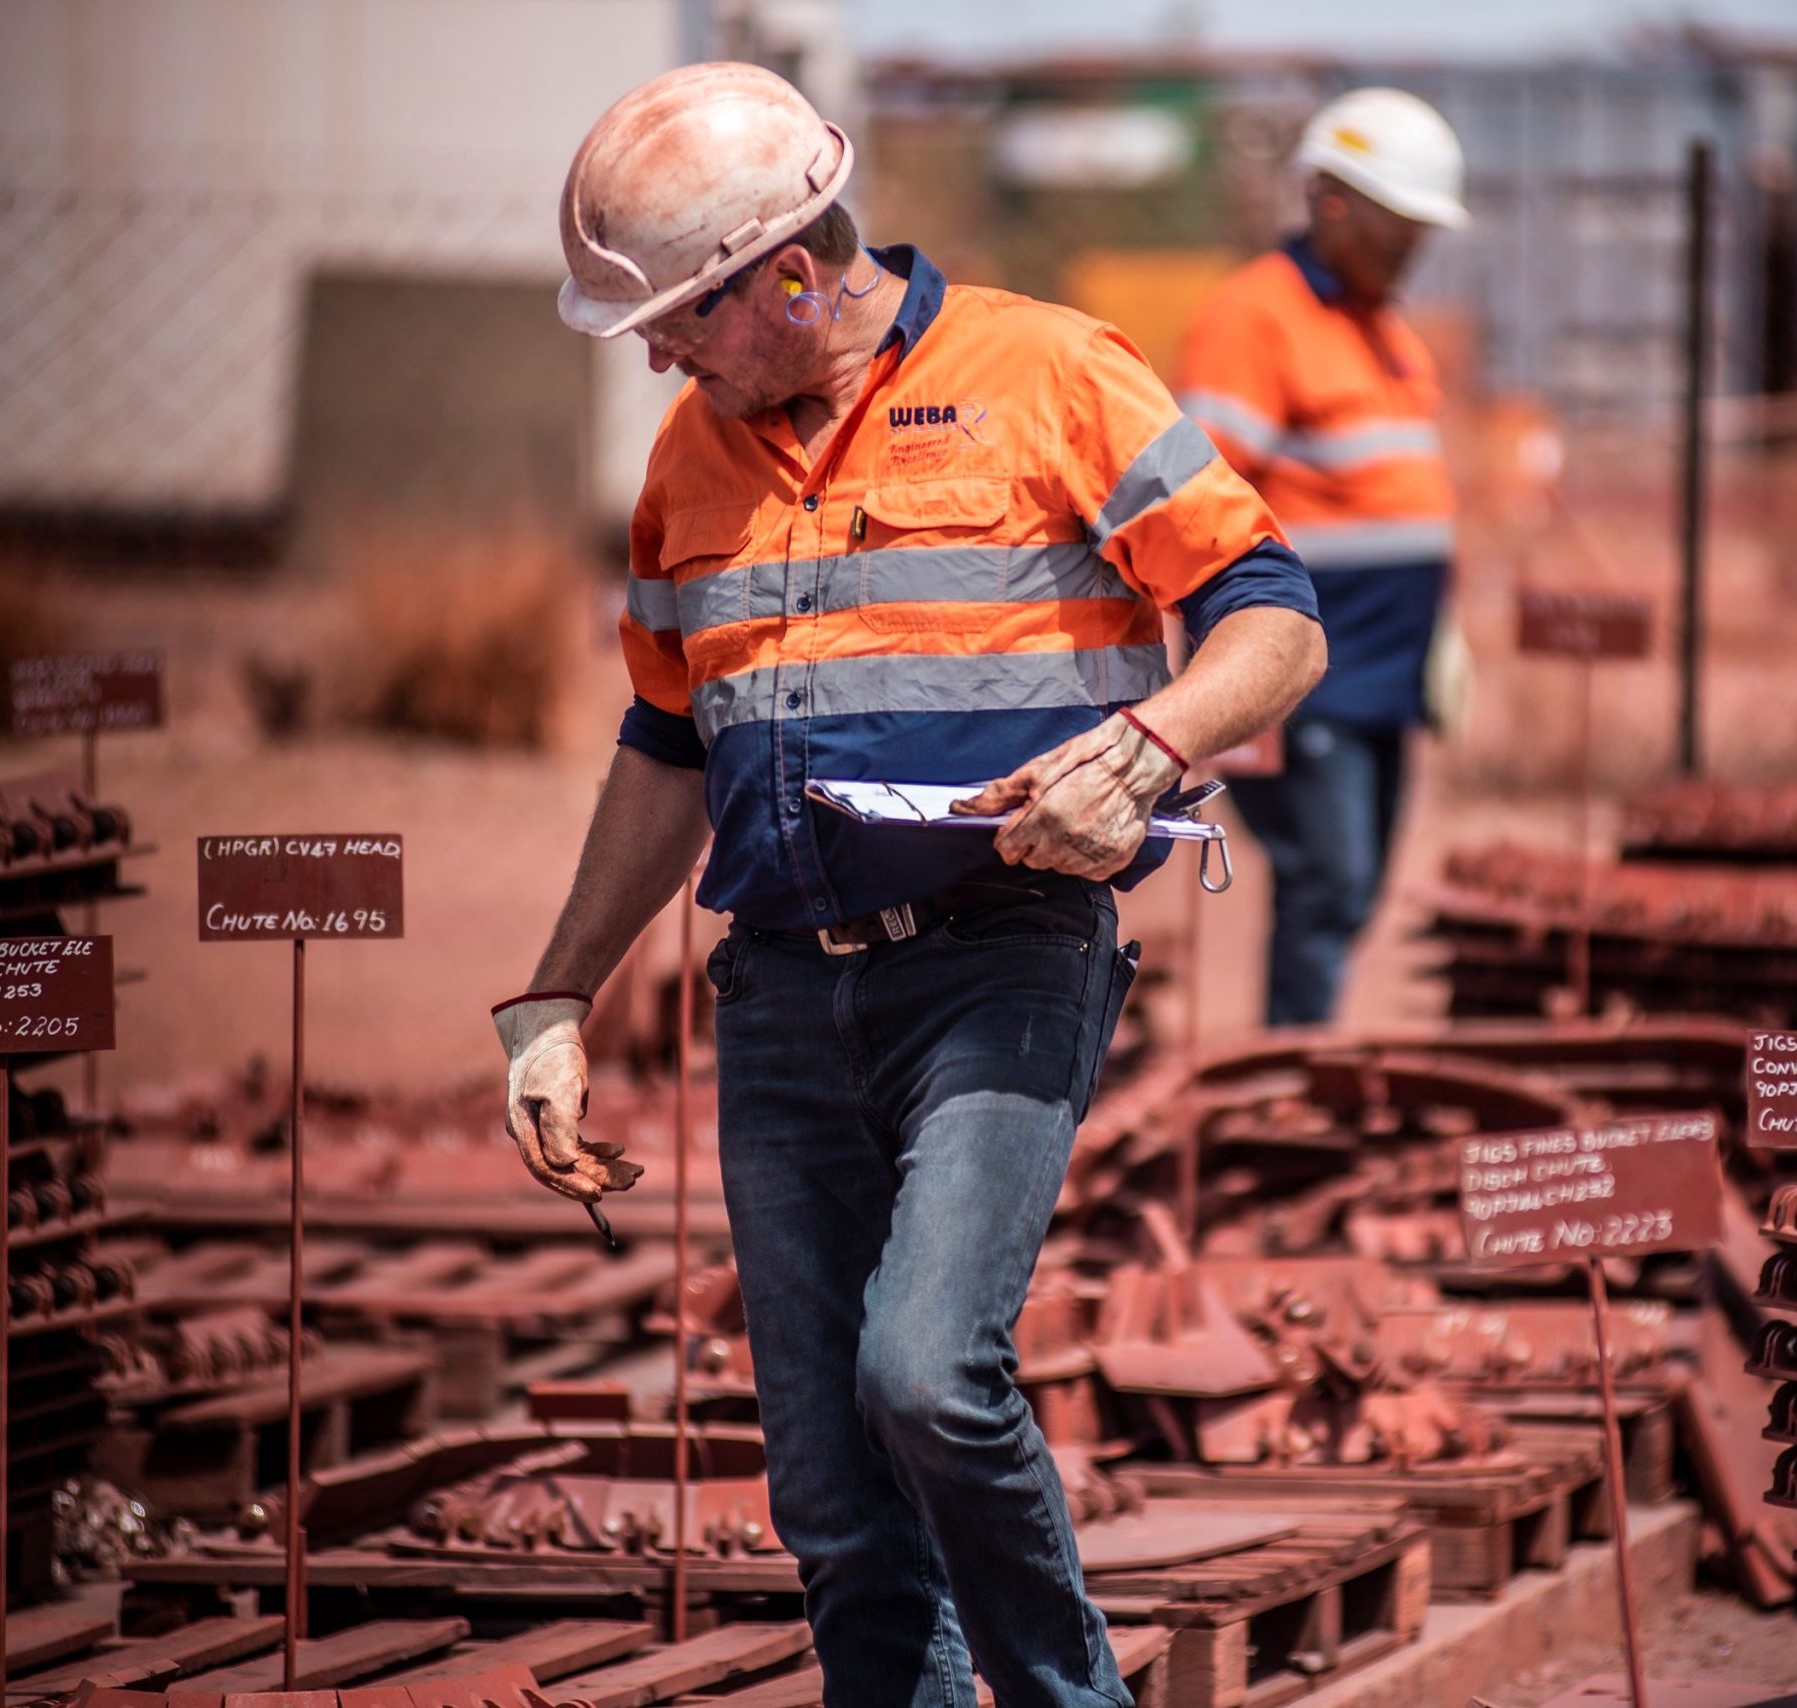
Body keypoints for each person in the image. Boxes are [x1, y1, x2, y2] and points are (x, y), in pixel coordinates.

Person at [489, 64, 1324, 1708]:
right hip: (786, 988)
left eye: (677, 317)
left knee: (930, 1374)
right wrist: (556, 990)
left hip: (1000, 960)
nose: (657, 351)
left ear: (791, 274)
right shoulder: (688, 458)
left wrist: (1143, 749)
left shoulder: (1051, 372)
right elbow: (668, 744)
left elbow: (1276, 615)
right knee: (830, 1491)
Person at [1175, 87, 1468, 1027]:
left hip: (1389, 667)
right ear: (1333, 201)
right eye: (1401, 224)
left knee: (1360, 887)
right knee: (1326, 880)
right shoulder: (1255, 318)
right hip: (1309, 671)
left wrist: (1444, 630)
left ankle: (1296, 1071)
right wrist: (1227, 672)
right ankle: (1285, 1086)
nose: (1415, 245)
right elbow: (1199, 509)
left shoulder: (1385, 330)